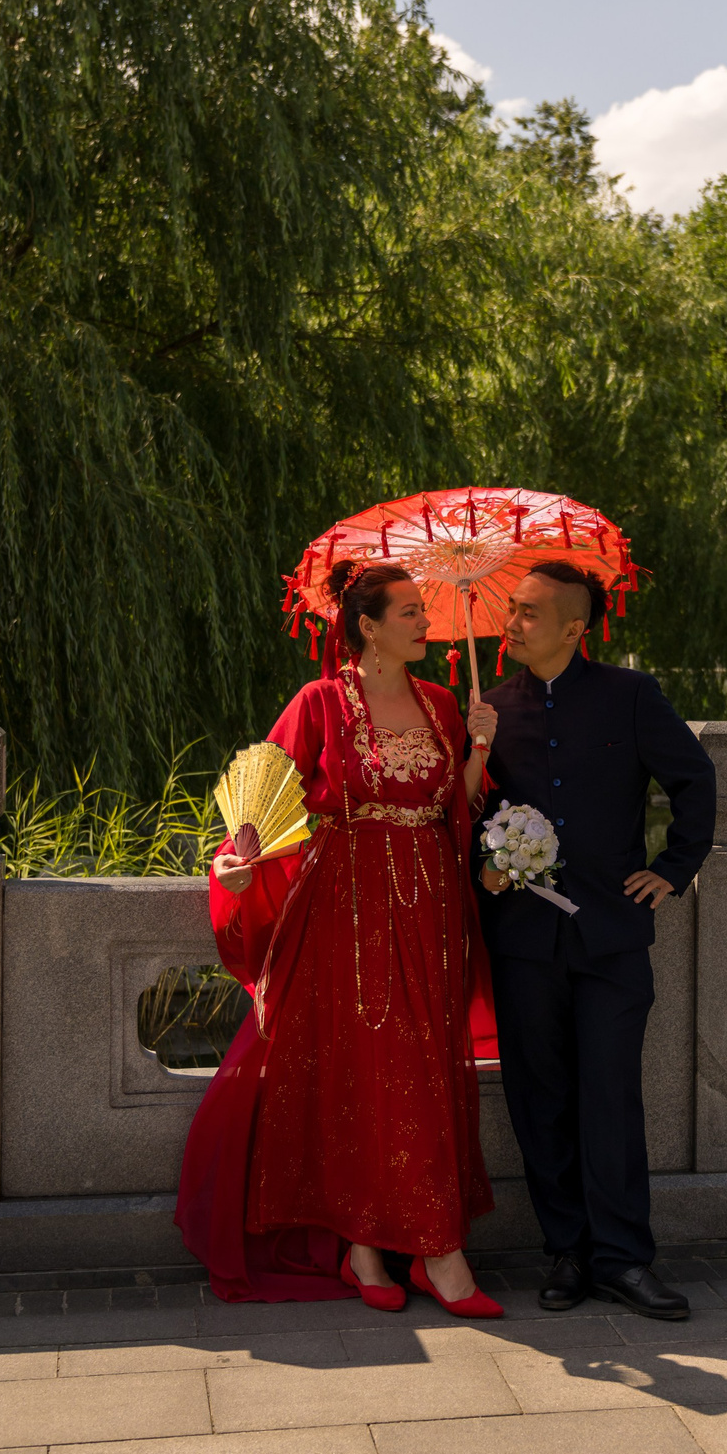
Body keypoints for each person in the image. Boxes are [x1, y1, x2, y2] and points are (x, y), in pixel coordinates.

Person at [176, 561, 506, 1315]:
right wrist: (235, 860)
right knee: (360, 1069)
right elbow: (265, 802)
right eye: (411, 612)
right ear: (367, 623)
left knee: (424, 1063)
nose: (427, 624)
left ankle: (432, 1249)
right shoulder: (321, 701)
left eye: (425, 609)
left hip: (428, 901)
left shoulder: (442, 703)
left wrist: (479, 749)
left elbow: (453, 806)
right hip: (346, 907)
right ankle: (372, 1249)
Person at [477, 562, 714, 1321]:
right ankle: (567, 1251)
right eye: (510, 610)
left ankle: (623, 1258)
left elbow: (695, 781)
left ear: (576, 627)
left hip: (610, 937)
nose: (512, 622)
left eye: (530, 613)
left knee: (610, 1095)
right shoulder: (490, 708)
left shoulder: (631, 696)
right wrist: (474, 757)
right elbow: (461, 815)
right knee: (538, 1096)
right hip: (521, 937)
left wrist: (671, 868)